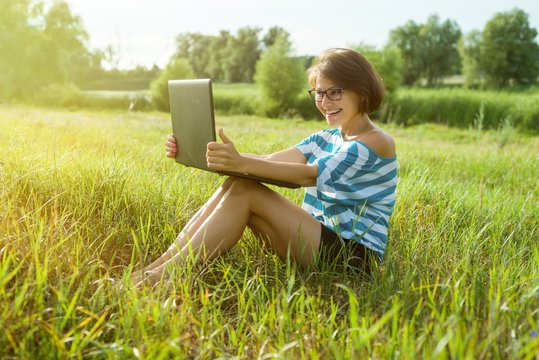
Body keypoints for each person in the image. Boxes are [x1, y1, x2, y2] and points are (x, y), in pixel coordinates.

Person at [130, 48, 397, 285]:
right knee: (239, 182)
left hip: (354, 260)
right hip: (319, 242)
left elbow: (306, 175)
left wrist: (240, 161)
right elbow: (272, 161)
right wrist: (206, 151)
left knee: (247, 189)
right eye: (318, 93)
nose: (324, 103)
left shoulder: (376, 142)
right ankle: (155, 270)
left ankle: (160, 279)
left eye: (334, 92)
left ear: (361, 93)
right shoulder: (327, 138)